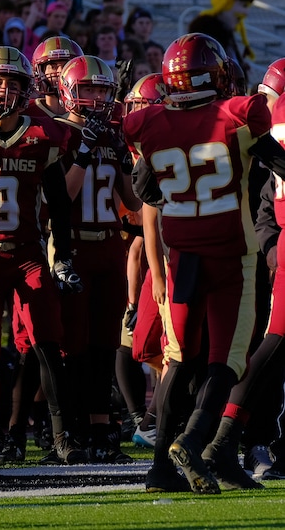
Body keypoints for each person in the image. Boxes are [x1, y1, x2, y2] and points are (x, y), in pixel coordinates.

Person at [125, 32, 285, 494]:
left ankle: (161, 467)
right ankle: (194, 441)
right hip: (231, 256)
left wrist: (183, 196)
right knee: (228, 361)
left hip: (182, 258)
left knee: (180, 360)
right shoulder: (238, 118)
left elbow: (145, 189)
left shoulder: (149, 124)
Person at [0, 45, 84, 468]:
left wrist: (62, 256)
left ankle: (59, 434)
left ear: (27, 88)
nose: (5, 91)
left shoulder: (43, 136)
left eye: (13, 83)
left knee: (49, 342)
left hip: (29, 254)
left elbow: (59, 206)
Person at [55, 54, 142, 462]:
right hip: (71, 246)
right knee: (75, 344)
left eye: (103, 90)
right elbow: (64, 197)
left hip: (109, 244)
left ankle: (102, 428)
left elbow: (130, 199)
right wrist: (85, 147)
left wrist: (131, 159)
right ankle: (72, 430)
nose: (97, 97)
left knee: (106, 343)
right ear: (69, 91)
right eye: (88, 88)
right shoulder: (58, 134)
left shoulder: (110, 134)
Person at [188, 0, 255, 86]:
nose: (246, 12)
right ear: (226, 2)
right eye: (243, 5)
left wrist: (240, 67)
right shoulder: (204, 29)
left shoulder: (225, 32)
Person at [28, 35, 83, 117]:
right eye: (53, 67)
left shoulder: (85, 116)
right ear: (40, 72)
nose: (60, 71)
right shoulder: (28, 111)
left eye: (66, 66)